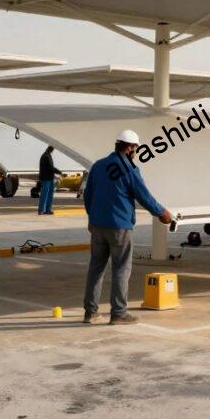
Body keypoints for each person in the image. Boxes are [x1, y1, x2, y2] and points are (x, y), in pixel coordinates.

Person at [82, 129, 172, 325]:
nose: (136, 152)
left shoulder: (98, 166)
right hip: (119, 227)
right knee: (121, 269)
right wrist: (162, 213)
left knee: (96, 268)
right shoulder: (129, 169)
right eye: (135, 149)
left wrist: (91, 217)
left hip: (97, 226)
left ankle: (90, 312)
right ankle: (119, 313)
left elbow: (88, 195)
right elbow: (144, 196)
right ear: (130, 148)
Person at [37, 145, 64, 215]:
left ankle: (47, 209)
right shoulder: (46, 156)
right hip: (46, 178)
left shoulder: (47, 155)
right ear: (51, 149)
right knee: (45, 194)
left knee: (49, 194)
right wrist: (59, 172)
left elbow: (50, 168)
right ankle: (41, 210)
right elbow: (51, 168)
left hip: (49, 178)